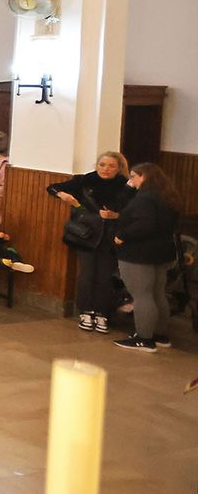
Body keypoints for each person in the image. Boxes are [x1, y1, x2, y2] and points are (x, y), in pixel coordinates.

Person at [48, 151, 132, 333]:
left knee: (105, 276)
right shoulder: (86, 181)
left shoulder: (125, 186)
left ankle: (102, 312)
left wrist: (116, 216)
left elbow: (132, 212)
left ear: (118, 168)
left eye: (111, 166)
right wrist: (62, 195)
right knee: (87, 274)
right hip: (86, 234)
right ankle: (86, 311)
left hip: (111, 236)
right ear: (97, 165)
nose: (106, 169)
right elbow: (52, 187)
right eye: (102, 165)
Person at [112, 162, 182, 352]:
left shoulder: (145, 199)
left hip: (139, 253)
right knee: (157, 293)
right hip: (162, 252)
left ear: (143, 176)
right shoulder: (167, 196)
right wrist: (129, 188)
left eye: (133, 176)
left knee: (142, 295)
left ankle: (144, 338)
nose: (130, 180)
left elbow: (144, 225)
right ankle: (160, 335)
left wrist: (122, 236)